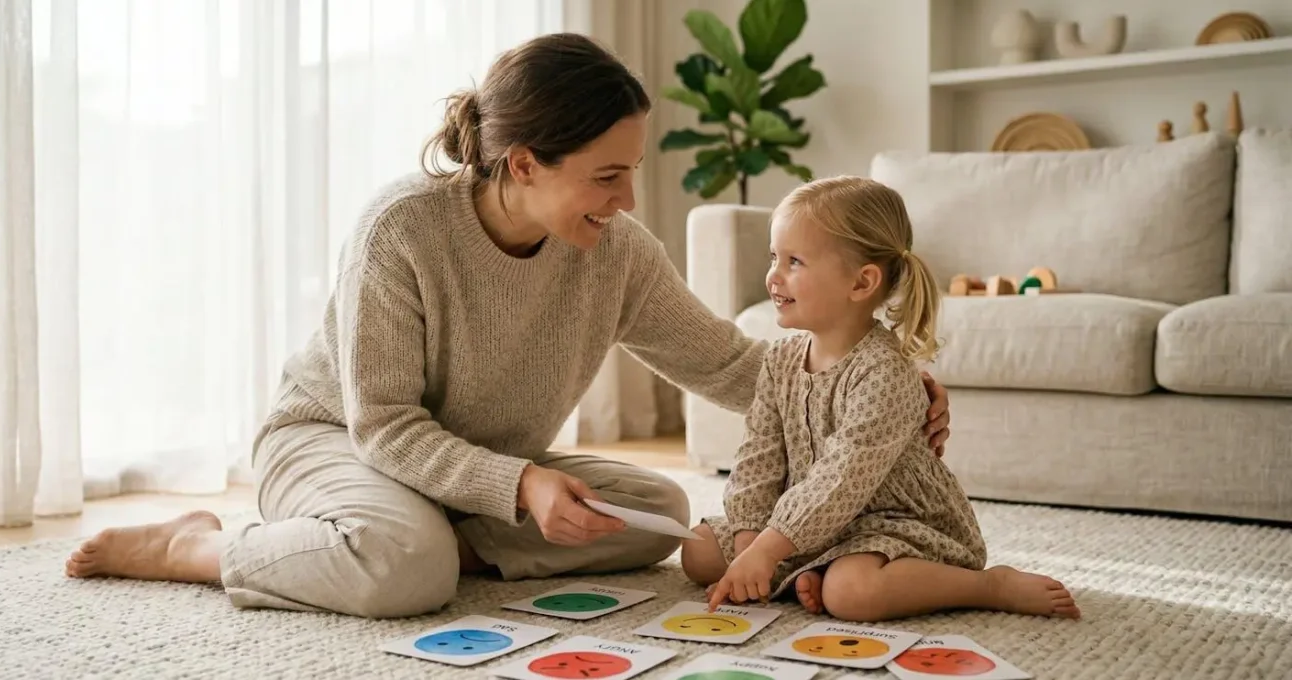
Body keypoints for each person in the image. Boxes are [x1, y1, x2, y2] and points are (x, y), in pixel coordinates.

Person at [62, 33, 952, 619]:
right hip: (337, 441)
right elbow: (384, 425)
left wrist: (876, 388)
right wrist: (523, 486)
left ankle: (439, 534)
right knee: (404, 573)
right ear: (524, 163)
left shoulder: (617, 250)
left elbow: (728, 364)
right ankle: (203, 547)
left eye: (632, 170)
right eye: (607, 175)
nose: (628, 198)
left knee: (660, 513)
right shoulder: (401, 231)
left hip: (479, 469)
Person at [681, 176, 1080, 622]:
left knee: (853, 595)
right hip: (806, 520)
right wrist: (747, 550)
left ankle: (987, 585)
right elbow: (758, 458)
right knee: (697, 550)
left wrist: (767, 552)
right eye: (775, 257)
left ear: (861, 282)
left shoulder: (884, 373)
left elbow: (840, 479)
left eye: (794, 261)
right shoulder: (780, 360)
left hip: (891, 522)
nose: (774, 275)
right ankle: (812, 569)